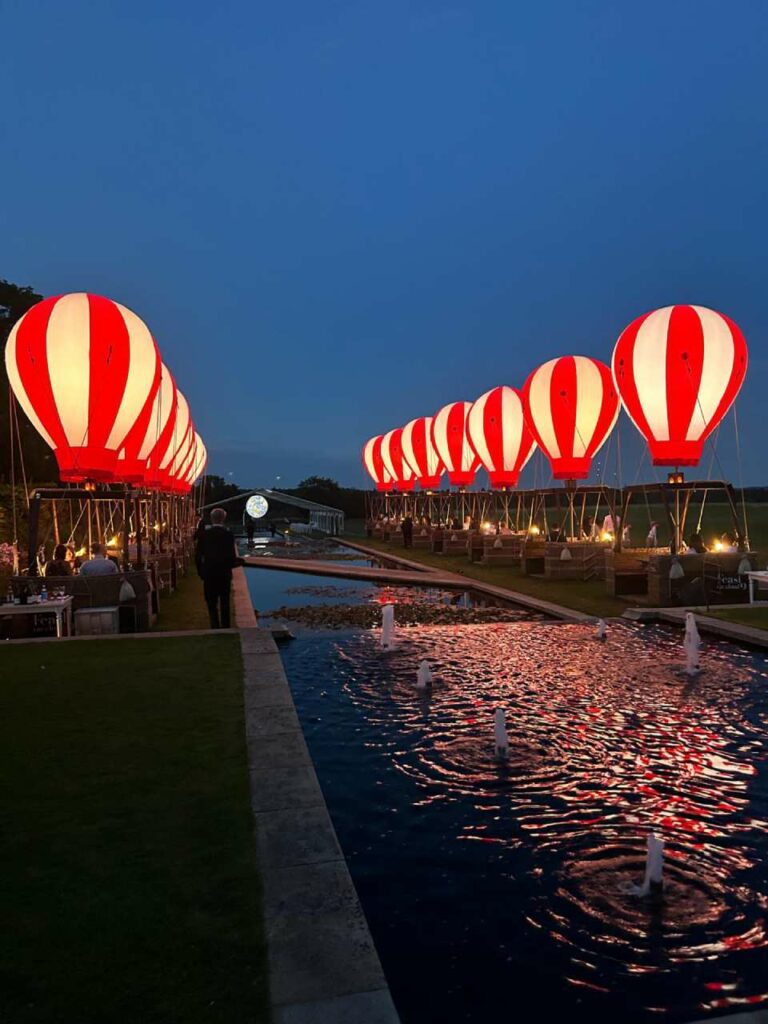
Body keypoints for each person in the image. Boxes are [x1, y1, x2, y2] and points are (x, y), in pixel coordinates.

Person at [197, 507, 243, 629]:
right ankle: (226, 626)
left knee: (211, 602)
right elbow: (231, 556)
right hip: (224, 573)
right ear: (223, 519)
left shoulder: (205, 535)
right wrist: (235, 564)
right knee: (224, 601)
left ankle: (214, 626)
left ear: (211, 519)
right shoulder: (228, 534)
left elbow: (198, 555)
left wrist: (201, 572)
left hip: (209, 573)